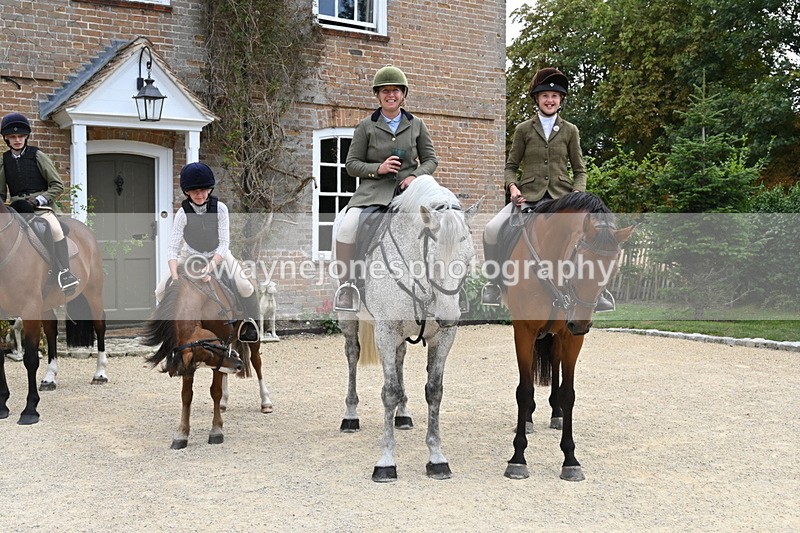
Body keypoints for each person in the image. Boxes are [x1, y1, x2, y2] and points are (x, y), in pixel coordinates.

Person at [481, 68, 614, 311]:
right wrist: (512, 187)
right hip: (528, 198)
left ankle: (601, 292)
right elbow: (510, 166)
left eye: (554, 95)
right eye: (545, 95)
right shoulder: (523, 129)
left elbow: (580, 170)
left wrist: (577, 193)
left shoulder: (570, 130)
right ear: (537, 99)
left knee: (596, 233)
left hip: (563, 200)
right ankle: (494, 284)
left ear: (560, 100)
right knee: (490, 229)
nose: (550, 100)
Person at [333, 65, 439, 311]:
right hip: (372, 193)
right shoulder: (365, 126)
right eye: (385, 91)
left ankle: (441, 289)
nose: (390, 95)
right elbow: (351, 165)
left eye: (396, 91)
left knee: (437, 226)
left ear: (403, 94)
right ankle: (347, 286)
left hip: (409, 194)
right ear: (377, 95)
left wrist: (414, 176)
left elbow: (432, 160)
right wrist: (377, 169)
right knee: (347, 228)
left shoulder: (417, 125)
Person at [154, 162, 259, 342]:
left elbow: (224, 243)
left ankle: (251, 325)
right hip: (189, 255)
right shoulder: (182, 214)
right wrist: (175, 277)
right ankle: (168, 331)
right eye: (195, 191)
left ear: (209, 189)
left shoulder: (221, 209)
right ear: (187, 192)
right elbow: (172, 248)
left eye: (203, 190)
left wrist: (210, 266)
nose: (200, 195)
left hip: (218, 253)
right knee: (160, 290)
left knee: (245, 285)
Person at [0, 112, 80, 295]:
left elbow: (57, 185)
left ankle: (65, 273)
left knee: (55, 229)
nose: (17, 140)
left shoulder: (38, 156)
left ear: (26, 136)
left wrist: (38, 200)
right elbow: (1, 193)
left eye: (20, 136)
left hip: (41, 208)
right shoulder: (4, 161)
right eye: (13, 137)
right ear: (7, 139)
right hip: (16, 208)